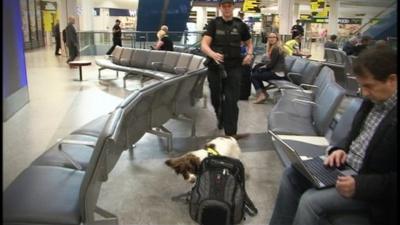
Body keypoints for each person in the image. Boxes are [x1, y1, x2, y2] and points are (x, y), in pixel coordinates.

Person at [269, 47, 397, 225]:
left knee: (310, 201)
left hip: (370, 188)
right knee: (292, 174)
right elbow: (354, 136)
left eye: (369, 86)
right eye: (362, 86)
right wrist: (340, 150)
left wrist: (361, 186)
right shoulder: (373, 102)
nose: (364, 93)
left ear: (392, 80)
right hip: (346, 168)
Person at [201, 0, 254, 135]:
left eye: (229, 5)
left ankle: (231, 134)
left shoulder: (240, 25)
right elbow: (204, 45)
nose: (226, 8)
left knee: (231, 100)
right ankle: (220, 115)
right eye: (224, 6)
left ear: (233, 7)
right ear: (220, 8)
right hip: (215, 67)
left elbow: (249, 43)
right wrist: (212, 54)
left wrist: (249, 54)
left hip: (234, 67)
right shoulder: (213, 24)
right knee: (215, 98)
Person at [251, 32, 287, 104]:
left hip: (278, 73)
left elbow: (271, 65)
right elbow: (269, 63)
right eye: (269, 37)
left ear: (277, 38)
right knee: (255, 72)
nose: (271, 39)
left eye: (273, 37)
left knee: (253, 76)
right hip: (274, 71)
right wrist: (261, 66)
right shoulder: (272, 48)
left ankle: (261, 94)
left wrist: (262, 67)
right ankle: (263, 93)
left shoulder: (276, 48)